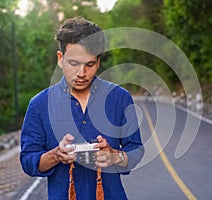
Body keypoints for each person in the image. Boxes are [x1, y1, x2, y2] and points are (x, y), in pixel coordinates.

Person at [20, 17, 144, 200]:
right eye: (73, 64)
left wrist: (115, 156)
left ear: (99, 62)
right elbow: (28, 161)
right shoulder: (39, 104)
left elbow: (136, 149)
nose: (81, 73)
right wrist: (56, 155)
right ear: (60, 59)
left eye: (89, 64)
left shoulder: (120, 98)